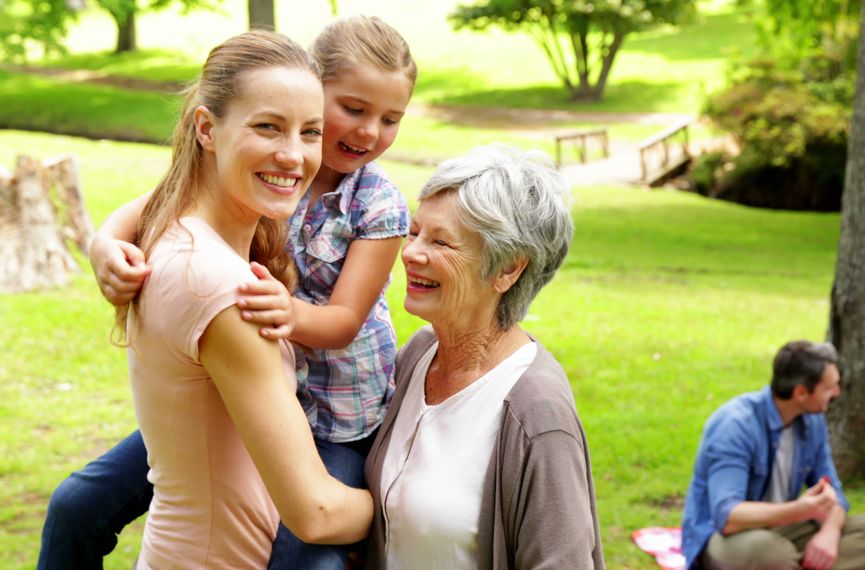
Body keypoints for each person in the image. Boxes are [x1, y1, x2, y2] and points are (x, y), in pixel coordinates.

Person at [38, 17, 413, 569]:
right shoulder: (255, 188)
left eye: (390, 119)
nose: (366, 133)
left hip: (334, 407)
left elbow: (344, 320)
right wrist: (104, 244)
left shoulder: (367, 200)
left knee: (306, 557)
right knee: (79, 501)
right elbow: (158, 199)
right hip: (256, 384)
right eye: (352, 110)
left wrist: (288, 311)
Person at [363, 144, 605, 569]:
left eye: (440, 241)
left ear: (508, 269)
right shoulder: (420, 354)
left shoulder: (538, 413)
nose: (411, 253)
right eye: (414, 231)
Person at [681, 340, 865, 570]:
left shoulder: (812, 422)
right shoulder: (735, 425)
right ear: (801, 393)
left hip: (784, 529)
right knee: (772, 554)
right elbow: (728, 517)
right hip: (727, 537)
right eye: (829, 388)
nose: (836, 393)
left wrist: (830, 533)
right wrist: (800, 510)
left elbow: (834, 496)